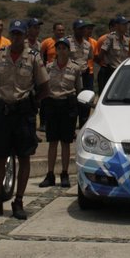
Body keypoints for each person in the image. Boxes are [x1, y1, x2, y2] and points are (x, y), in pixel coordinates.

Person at [0, 20, 49, 220]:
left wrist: (32, 104)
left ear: (26, 35)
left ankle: (18, 201)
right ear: (10, 35)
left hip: (23, 114)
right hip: (2, 112)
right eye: (14, 33)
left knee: (24, 157)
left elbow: (45, 88)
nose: (17, 37)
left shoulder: (33, 58)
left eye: (20, 33)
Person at [37, 39, 81, 189]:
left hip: (68, 105)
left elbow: (78, 88)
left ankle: (64, 173)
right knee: (52, 141)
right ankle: (50, 175)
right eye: (59, 48)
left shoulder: (75, 68)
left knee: (66, 142)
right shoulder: (49, 68)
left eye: (64, 48)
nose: (61, 51)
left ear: (69, 50)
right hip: (52, 104)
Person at [95, 15, 130, 94]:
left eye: (126, 25)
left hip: (123, 72)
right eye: (123, 24)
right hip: (111, 72)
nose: (126, 27)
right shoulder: (110, 38)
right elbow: (101, 55)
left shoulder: (127, 40)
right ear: (117, 26)